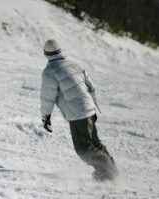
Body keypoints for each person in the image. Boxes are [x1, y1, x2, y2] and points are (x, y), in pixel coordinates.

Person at [40, 39, 118, 181]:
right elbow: (91, 86)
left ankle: (107, 169)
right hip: (89, 108)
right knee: (95, 143)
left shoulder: (49, 72)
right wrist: (92, 105)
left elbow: (47, 97)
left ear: (46, 54)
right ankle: (108, 172)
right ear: (60, 51)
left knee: (83, 149)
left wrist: (46, 116)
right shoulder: (74, 65)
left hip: (77, 114)